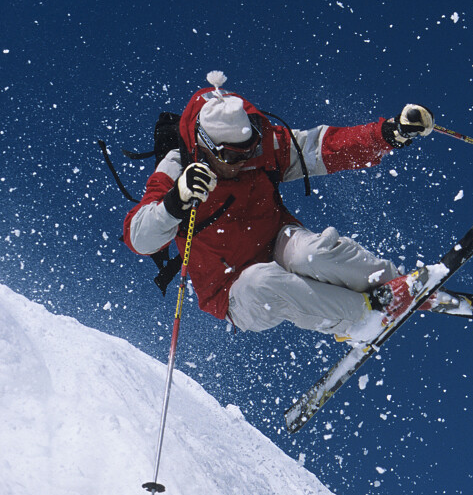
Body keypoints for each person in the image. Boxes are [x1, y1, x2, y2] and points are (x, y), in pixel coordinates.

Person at [123, 73, 434, 340]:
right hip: (233, 290)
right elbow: (138, 238)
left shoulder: (263, 148)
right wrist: (174, 203)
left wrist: (387, 134)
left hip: (276, 242)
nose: (242, 161)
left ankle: (394, 287)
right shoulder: (178, 169)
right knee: (265, 282)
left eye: (248, 150)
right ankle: (364, 319)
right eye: (230, 157)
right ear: (205, 145)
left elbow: (321, 148)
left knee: (313, 253)